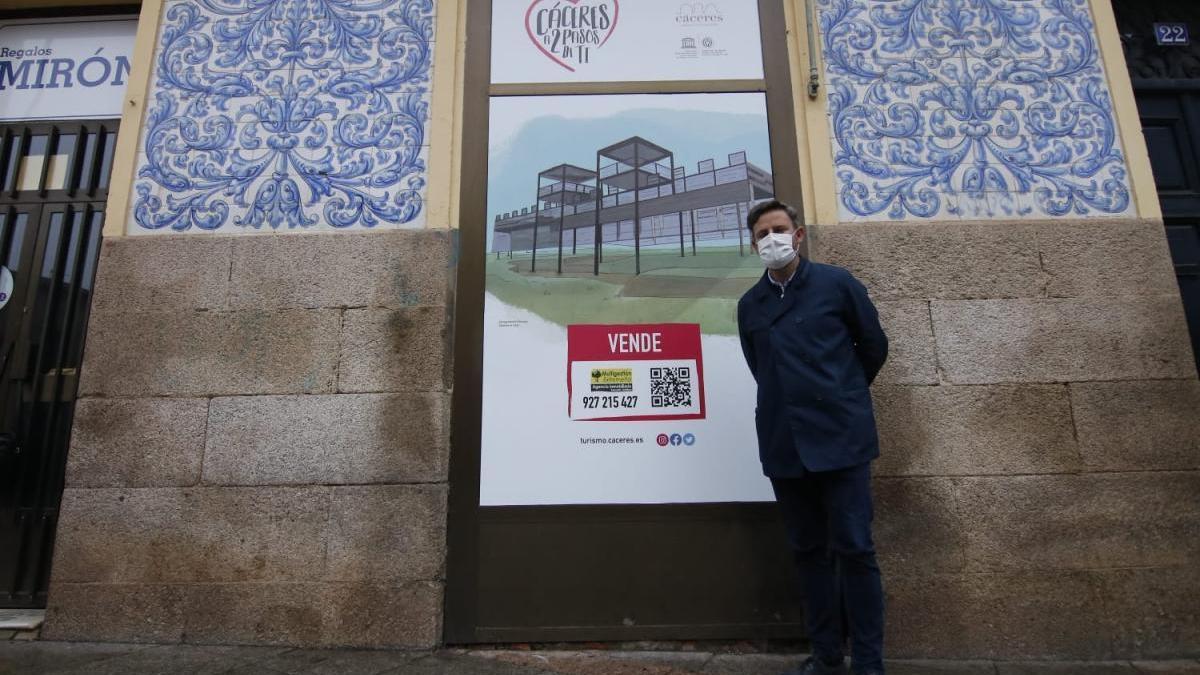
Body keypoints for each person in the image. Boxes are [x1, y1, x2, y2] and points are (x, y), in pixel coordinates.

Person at [736, 200, 889, 675]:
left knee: (855, 549)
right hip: (786, 444)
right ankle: (826, 656)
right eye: (762, 234)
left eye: (779, 229)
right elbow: (760, 367)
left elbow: (873, 347)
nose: (772, 240)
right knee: (808, 553)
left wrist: (841, 394)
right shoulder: (750, 305)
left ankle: (867, 662)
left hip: (841, 440)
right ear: (753, 243)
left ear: (798, 235)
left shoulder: (836, 284)